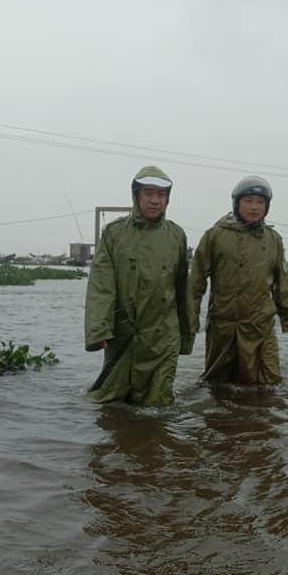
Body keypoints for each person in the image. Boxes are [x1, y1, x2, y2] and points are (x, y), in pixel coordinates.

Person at [84, 165, 193, 405]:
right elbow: (101, 285)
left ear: (168, 199)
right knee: (111, 402)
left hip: (164, 336)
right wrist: (99, 330)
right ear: (136, 195)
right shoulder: (114, 233)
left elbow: (183, 289)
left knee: (158, 404)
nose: (155, 200)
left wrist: (186, 335)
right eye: (149, 193)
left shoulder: (177, 235)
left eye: (161, 195)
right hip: (124, 335)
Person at [189, 175, 288, 385]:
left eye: (260, 202)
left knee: (270, 383)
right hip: (223, 326)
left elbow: (282, 282)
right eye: (248, 201)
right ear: (237, 203)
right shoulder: (215, 235)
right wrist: (190, 320)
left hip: (260, 326)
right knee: (218, 384)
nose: (254, 208)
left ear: (267, 207)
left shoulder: (273, 239)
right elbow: (195, 283)